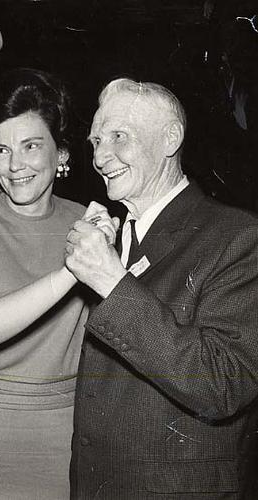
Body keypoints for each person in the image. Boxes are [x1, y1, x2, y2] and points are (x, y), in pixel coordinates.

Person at [65, 77, 258, 499]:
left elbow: (224, 383)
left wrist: (112, 281)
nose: (100, 156)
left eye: (119, 136)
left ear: (171, 138)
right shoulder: (120, 236)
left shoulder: (238, 236)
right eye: (95, 140)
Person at [0, 68, 114, 499]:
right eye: (2, 150)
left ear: (62, 154)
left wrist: (114, 253)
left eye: (31, 146)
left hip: (59, 431)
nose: (15, 165)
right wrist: (73, 270)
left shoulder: (87, 225)